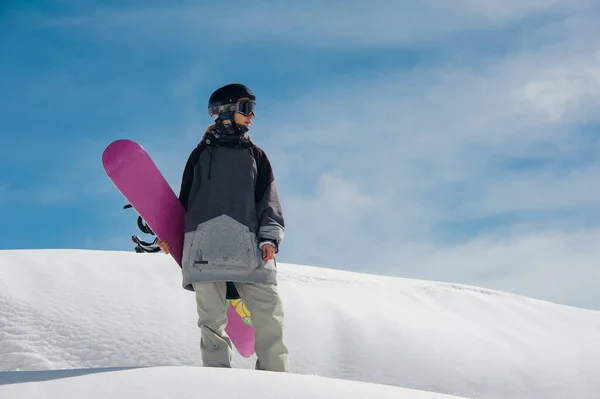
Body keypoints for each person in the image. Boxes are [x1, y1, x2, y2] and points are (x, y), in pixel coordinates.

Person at [156, 83, 289, 372]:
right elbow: (185, 204)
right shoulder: (200, 156)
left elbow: (269, 201)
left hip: (251, 249)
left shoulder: (256, 155)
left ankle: (277, 382)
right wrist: (169, 238)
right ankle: (218, 383)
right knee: (211, 323)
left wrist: (270, 238)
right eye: (246, 108)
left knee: (269, 316)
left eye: (252, 109)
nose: (252, 116)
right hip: (205, 249)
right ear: (225, 111)